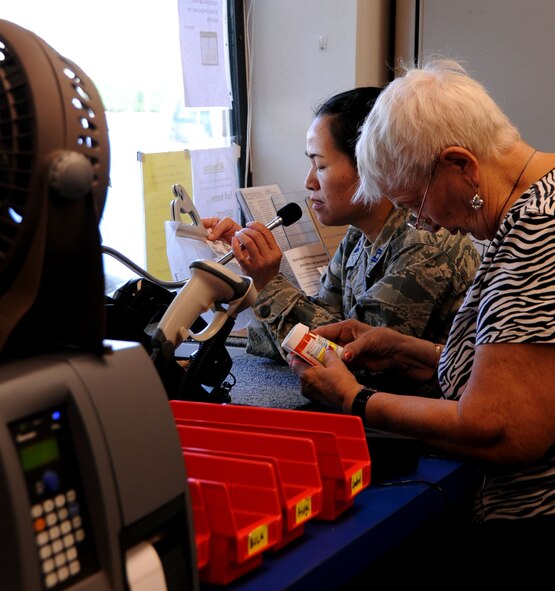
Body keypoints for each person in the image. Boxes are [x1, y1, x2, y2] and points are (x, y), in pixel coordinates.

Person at [288, 57, 555, 581]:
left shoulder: (538, 234)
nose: (421, 222)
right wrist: (422, 354)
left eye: (416, 203)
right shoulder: (532, 209)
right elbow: (529, 374)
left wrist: (354, 399)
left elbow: (503, 430)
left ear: (463, 166)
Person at [203, 88, 480, 379]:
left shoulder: (425, 245)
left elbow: (352, 359)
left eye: (320, 165)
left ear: (370, 166)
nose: (309, 181)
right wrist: (247, 269)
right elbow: (317, 331)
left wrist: (269, 282)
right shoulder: (358, 238)